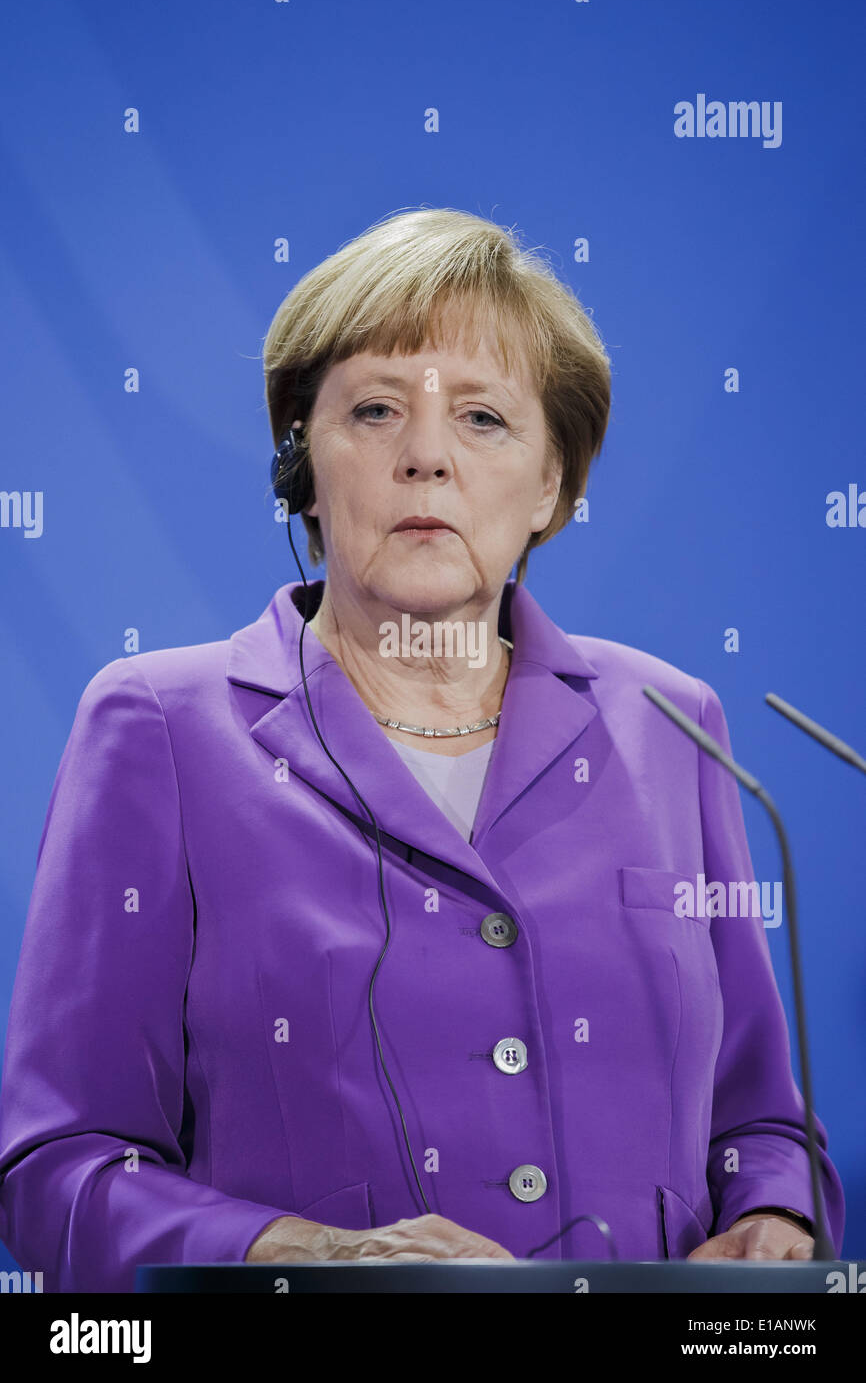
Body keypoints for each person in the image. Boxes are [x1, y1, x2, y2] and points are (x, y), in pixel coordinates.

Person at [0, 208, 844, 1291]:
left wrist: (774, 1212)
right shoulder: (158, 729)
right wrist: (309, 1256)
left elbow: (759, 1114)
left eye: (484, 418)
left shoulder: (671, 726)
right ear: (301, 470)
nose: (427, 456)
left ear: (551, 486)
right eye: (375, 410)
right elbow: (58, 1165)